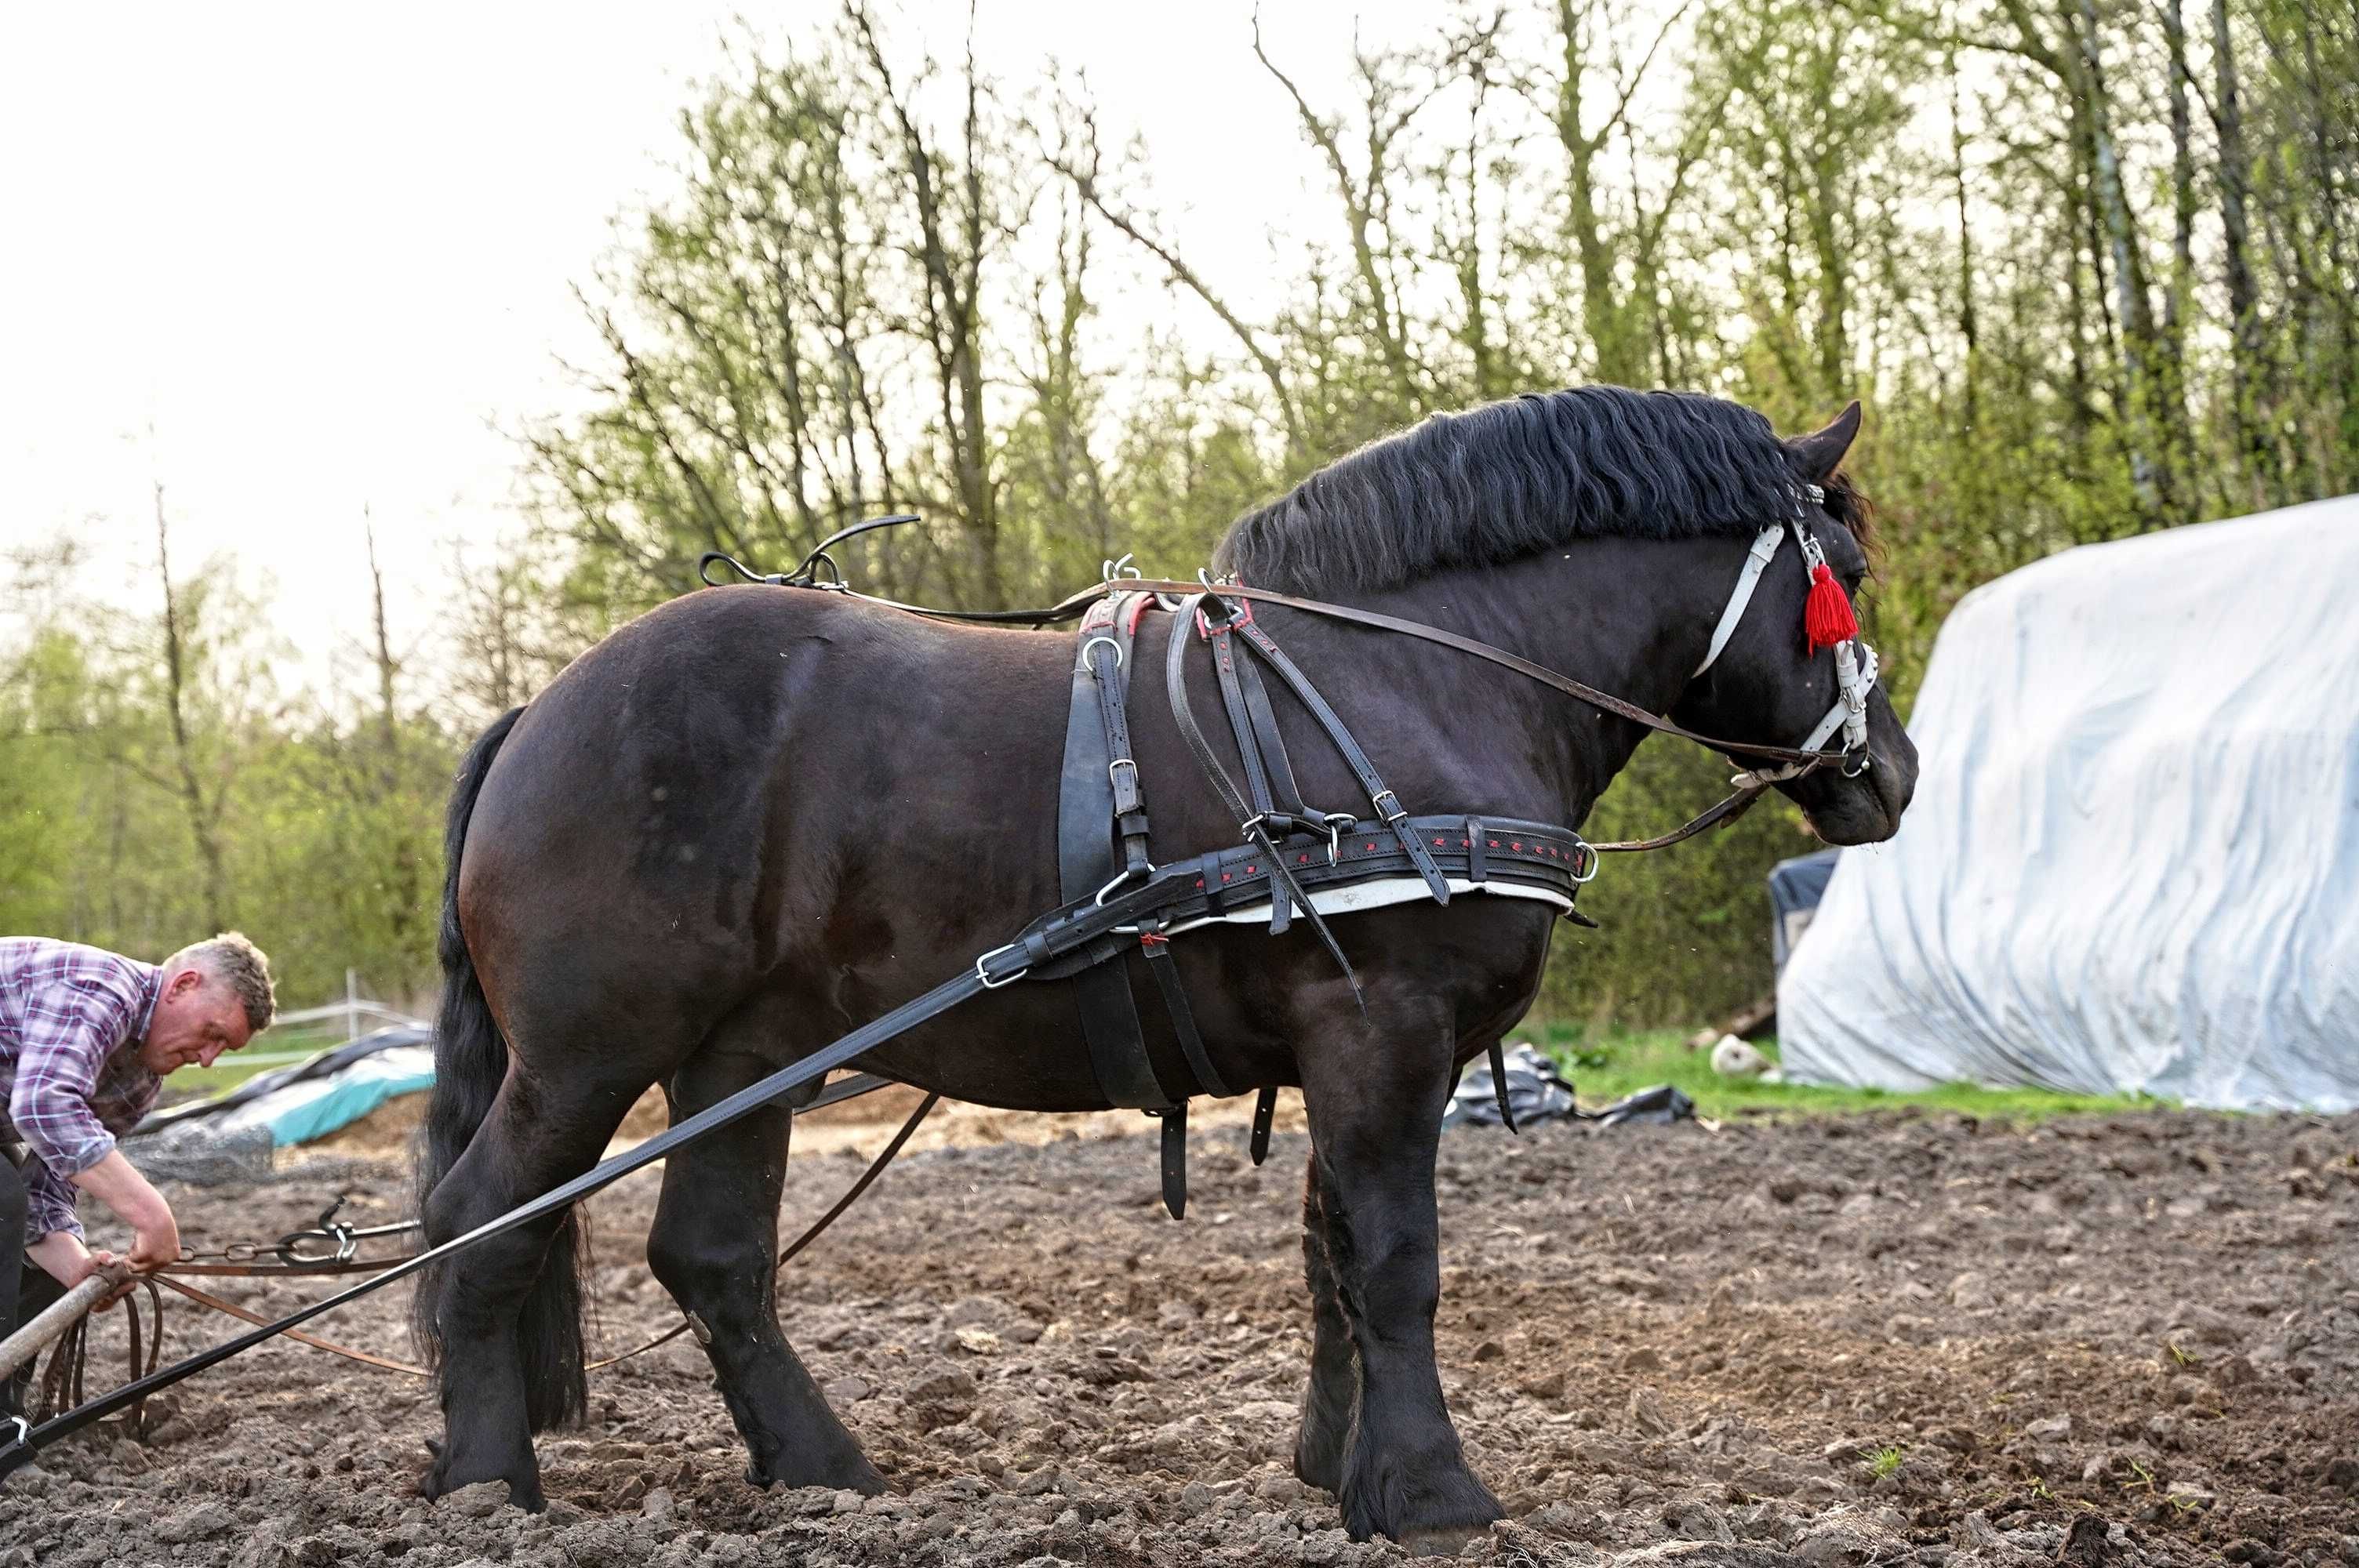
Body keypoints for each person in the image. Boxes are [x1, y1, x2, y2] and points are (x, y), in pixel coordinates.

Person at [2, 933, 275, 1414]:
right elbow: (44, 1106)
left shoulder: (141, 1081)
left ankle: (5, 1415)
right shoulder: (101, 986)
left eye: (224, 1050)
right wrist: (152, 1214)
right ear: (183, 985)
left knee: (49, 1258)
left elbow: (46, 1194)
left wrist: (78, 1270)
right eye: (212, 1032)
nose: (208, 1058)